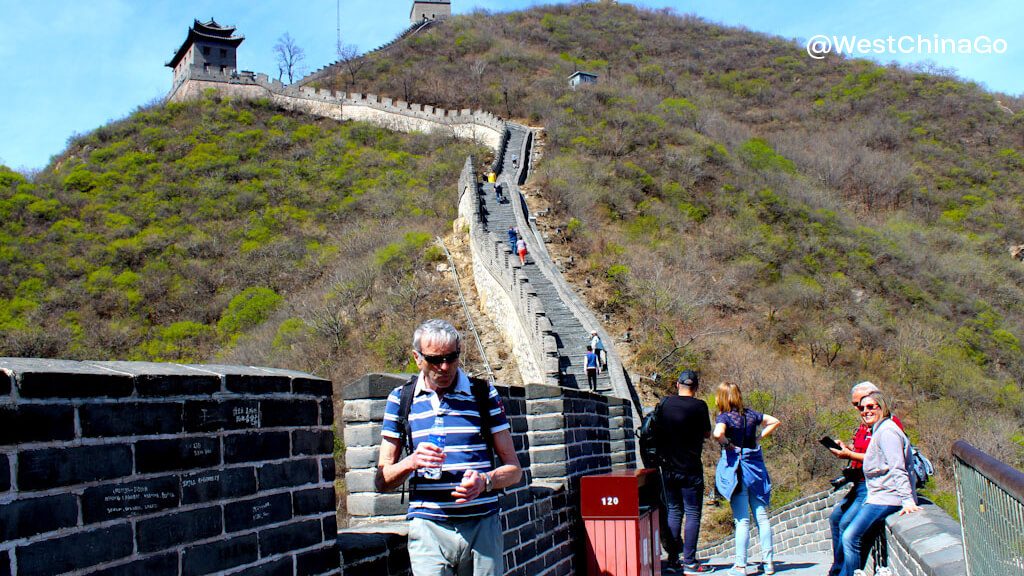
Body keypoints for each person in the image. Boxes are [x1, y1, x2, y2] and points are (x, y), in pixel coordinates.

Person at [375, 319, 523, 576]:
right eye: (434, 359)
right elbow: (381, 480)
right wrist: (411, 462)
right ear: (417, 358)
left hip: (482, 527)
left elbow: (514, 470)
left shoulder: (483, 395)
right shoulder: (400, 399)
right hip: (429, 528)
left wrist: (485, 481)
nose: (445, 367)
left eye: (452, 357)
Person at [826, 382, 904, 576]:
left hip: (874, 487)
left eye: (864, 405)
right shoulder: (866, 425)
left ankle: (844, 572)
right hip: (860, 482)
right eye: (858, 406)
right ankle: (839, 569)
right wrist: (847, 450)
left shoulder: (889, 426)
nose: (860, 409)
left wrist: (850, 456)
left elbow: (888, 460)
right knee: (836, 519)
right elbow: (866, 451)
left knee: (848, 530)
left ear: (876, 399)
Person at [839, 391, 921, 576]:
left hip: (887, 497)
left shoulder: (888, 432)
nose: (865, 411)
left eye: (871, 407)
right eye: (862, 408)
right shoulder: (879, 430)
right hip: (878, 494)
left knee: (850, 537)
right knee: (859, 537)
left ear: (882, 408)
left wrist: (908, 500)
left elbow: (898, 467)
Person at [713, 382, 780, 576]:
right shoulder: (751, 415)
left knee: (742, 520)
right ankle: (768, 564)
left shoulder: (725, 417)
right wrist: (759, 438)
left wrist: (727, 445)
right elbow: (774, 421)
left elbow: (718, 433)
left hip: (737, 472)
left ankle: (740, 566)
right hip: (755, 470)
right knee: (762, 517)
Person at [657, 370, 713, 574]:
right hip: (691, 468)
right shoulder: (700, 406)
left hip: (669, 468)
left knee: (674, 512)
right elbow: (707, 433)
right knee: (692, 513)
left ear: (678, 385)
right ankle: (689, 561)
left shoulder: (665, 404)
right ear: (696, 388)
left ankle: (672, 561)